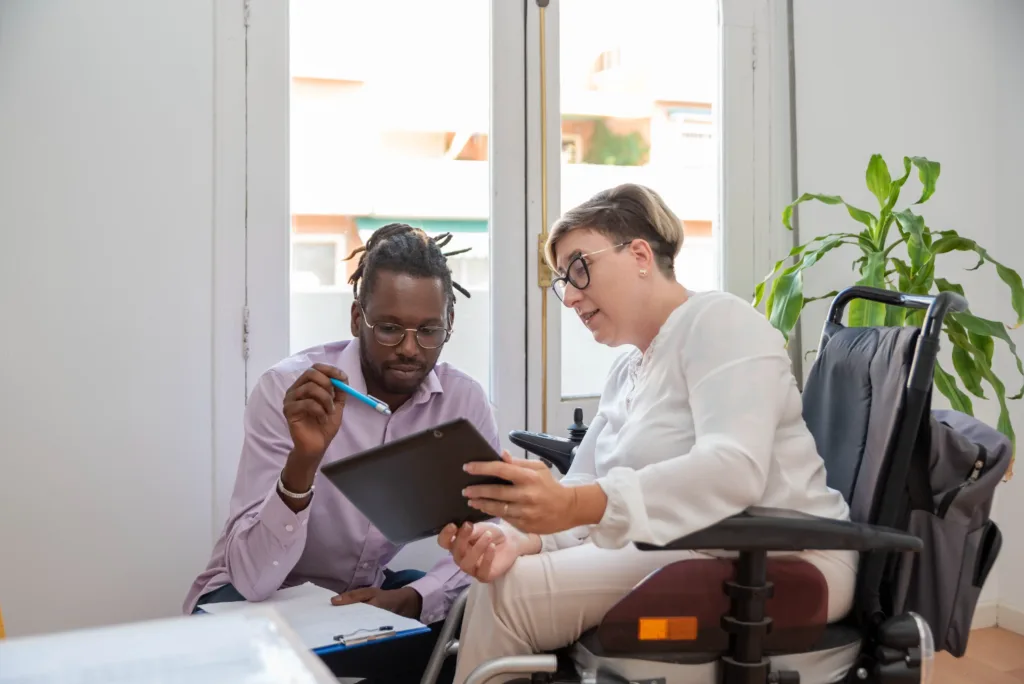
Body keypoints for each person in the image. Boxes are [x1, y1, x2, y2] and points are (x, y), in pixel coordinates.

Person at [437, 183, 859, 683]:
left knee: (507, 598)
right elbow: (584, 483)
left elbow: (734, 470)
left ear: (639, 253)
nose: (569, 295)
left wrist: (575, 507)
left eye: (578, 267)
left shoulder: (721, 323)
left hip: (782, 556)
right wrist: (516, 538)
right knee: (498, 578)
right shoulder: (626, 372)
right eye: (562, 281)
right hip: (683, 545)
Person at [184, 223, 497, 683]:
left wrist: (414, 598)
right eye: (389, 328)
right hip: (249, 597)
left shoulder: (462, 402)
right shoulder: (289, 391)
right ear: (357, 320)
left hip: (356, 601)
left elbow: (491, 534)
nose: (410, 349)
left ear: (449, 323)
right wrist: (304, 462)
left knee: (466, 628)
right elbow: (252, 578)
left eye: (429, 330)